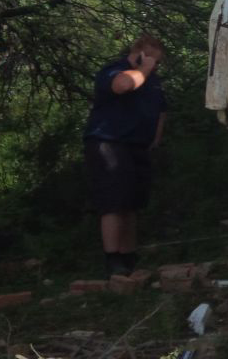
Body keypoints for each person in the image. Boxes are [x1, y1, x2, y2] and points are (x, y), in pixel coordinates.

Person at [85, 34, 167, 277]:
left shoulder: (152, 80)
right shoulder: (115, 70)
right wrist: (144, 68)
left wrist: (156, 136)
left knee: (132, 203)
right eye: (152, 59)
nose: (155, 66)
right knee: (114, 201)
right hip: (109, 142)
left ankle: (129, 256)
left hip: (137, 144)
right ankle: (113, 258)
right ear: (140, 53)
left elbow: (162, 109)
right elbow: (122, 86)